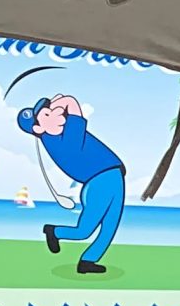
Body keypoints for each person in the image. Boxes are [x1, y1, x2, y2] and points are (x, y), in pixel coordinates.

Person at [18, 92, 125, 273]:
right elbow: (71, 102)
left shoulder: (56, 137)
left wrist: (53, 108)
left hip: (109, 178)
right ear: (37, 128)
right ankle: (55, 232)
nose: (54, 113)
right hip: (102, 181)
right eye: (46, 114)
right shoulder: (66, 138)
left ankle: (87, 261)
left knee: (109, 227)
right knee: (84, 230)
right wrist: (58, 103)